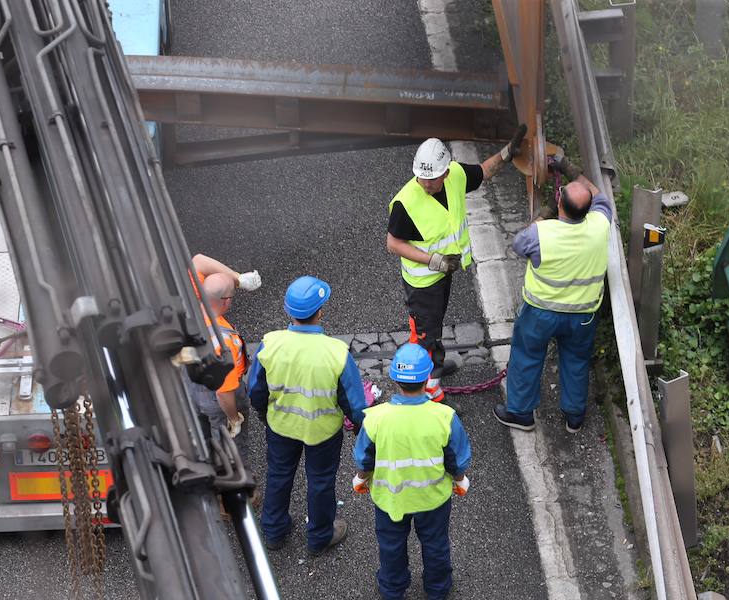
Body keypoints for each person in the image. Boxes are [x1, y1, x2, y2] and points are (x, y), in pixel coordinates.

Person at [386, 125, 527, 401]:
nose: (426, 184)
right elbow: (393, 244)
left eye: (432, 178)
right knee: (424, 335)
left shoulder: (457, 176)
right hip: (423, 282)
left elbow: (484, 171)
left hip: (443, 272)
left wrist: (506, 154)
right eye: (421, 178)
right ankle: (429, 392)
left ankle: (435, 367)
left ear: (446, 172)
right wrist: (433, 260)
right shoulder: (405, 203)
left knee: (434, 325)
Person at [247, 276, 368, 552]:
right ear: (320, 312)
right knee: (321, 482)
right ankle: (320, 536)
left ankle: (274, 530)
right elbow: (353, 401)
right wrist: (358, 425)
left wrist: (264, 413)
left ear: (288, 312)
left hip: (281, 425)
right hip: (322, 431)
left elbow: (255, 390)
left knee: (278, 474)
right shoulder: (336, 352)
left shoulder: (270, 344)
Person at [493, 156, 612, 433]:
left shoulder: (540, 233)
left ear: (560, 201)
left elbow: (519, 244)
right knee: (576, 360)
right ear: (587, 209)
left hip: (540, 314)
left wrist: (546, 211)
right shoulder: (599, 225)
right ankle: (573, 416)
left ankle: (521, 414)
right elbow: (600, 197)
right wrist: (570, 167)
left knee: (527, 356)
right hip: (582, 316)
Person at [352, 343, 471, 600]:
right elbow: (456, 459)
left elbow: (365, 459)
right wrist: (460, 481)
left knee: (391, 546)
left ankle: (392, 589)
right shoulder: (444, 416)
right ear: (428, 377)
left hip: (390, 499)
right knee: (435, 544)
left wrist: (361, 480)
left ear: (394, 378)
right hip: (433, 500)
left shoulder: (375, 418)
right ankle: (438, 589)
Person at [187, 254, 262, 467]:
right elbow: (223, 392)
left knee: (202, 440)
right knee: (231, 449)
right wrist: (234, 418)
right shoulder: (224, 343)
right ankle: (234, 488)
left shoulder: (189, 304)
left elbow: (198, 261)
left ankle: (205, 471)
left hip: (191, 387)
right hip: (215, 399)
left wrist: (238, 279)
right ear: (227, 301)